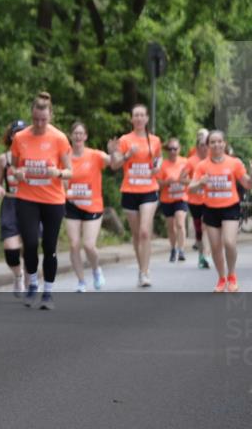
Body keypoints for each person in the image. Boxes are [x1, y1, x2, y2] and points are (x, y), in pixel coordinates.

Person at [10, 92, 72, 310]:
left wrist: (57, 172)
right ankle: (33, 284)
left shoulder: (59, 138)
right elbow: (15, 166)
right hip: (27, 197)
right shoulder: (20, 138)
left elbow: (69, 171)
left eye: (43, 120)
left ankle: (48, 292)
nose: (39, 124)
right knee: (29, 243)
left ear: (50, 116)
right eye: (36, 119)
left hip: (53, 199)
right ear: (31, 115)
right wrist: (17, 173)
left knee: (49, 246)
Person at [188, 131, 252, 292]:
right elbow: (190, 188)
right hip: (210, 208)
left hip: (230, 207)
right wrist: (200, 183)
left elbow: (247, 184)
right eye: (212, 142)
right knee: (215, 247)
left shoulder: (234, 163)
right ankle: (221, 278)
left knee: (229, 242)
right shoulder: (202, 166)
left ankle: (232, 275)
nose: (216, 145)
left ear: (224, 144)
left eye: (219, 141)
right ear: (208, 146)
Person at [108, 104, 162, 287]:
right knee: (137, 234)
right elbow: (114, 166)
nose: (139, 118)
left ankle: (146, 272)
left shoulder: (154, 140)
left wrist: (157, 167)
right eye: (135, 115)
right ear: (132, 119)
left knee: (146, 232)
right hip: (130, 190)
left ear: (147, 119)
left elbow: (158, 160)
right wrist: (125, 157)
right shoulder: (124, 140)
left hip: (149, 189)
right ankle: (141, 269)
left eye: (142, 115)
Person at [63, 122, 110, 292]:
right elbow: (59, 177)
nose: (78, 136)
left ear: (86, 136)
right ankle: (81, 281)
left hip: (93, 205)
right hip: (72, 204)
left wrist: (113, 152)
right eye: (75, 133)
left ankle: (96, 270)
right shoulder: (65, 156)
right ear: (70, 136)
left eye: (81, 133)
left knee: (89, 245)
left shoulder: (95, 155)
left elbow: (112, 162)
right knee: (74, 244)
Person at [0, 120, 27, 297]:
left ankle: (31, 283)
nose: (19, 136)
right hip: (10, 204)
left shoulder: (35, 156)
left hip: (31, 205)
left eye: (23, 132)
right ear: (11, 136)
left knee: (29, 247)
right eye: (16, 132)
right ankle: (18, 275)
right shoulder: (4, 158)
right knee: (11, 249)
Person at [182, 129, 213, 269]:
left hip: (209, 200)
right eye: (201, 145)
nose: (204, 147)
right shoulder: (190, 161)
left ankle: (207, 255)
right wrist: (195, 183)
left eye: (206, 145)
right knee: (199, 230)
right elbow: (182, 179)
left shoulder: (213, 160)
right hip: (194, 200)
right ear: (197, 146)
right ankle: (202, 253)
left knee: (206, 226)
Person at [157, 137, 190, 263]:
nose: (172, 151)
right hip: (167, 198)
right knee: (171, 227)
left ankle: (181, 250)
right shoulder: (163, 164)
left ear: (179, 149)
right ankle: (173, 248)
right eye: (170, 149)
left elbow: (193, 180)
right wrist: (166, 182)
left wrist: (183, 181)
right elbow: (158, 184)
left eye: (175, 149)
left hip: (181, 197)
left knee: (180, 223)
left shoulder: (185, 162)